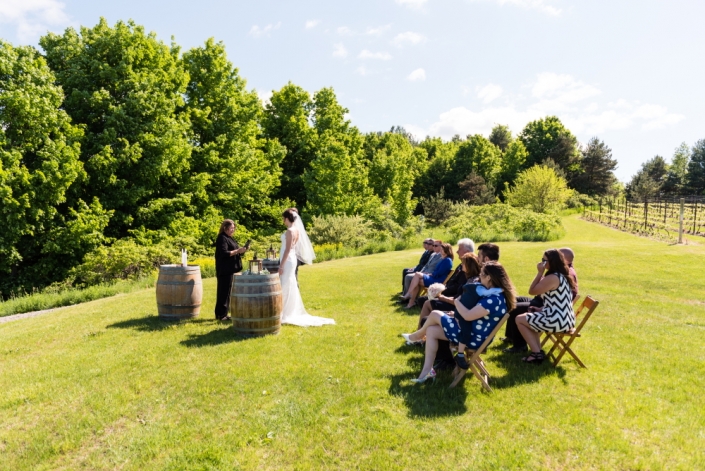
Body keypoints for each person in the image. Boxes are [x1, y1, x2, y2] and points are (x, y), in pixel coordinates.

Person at [401, 261, 516, 383]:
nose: (479, 276)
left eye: (482, 274)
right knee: (431, 331)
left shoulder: (493, 299)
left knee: (435, 314)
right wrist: (456, 314)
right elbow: (473, 314)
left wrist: (456, 302)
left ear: (489, 277)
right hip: (472, 332)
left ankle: (417, 336)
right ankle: (426, 372)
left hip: (473, 338)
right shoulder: (495, 295)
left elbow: (467, 316)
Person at [502, 247, 578, 353]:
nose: (541, 263)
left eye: (544, 261)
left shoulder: (553, 277)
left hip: (558, 321)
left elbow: (532, 291)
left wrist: (539, 273)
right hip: (565, 319)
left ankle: (535, 352)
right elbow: (556, 301)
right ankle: (537, 351)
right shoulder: (562, 275)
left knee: (520, 319)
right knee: (525, 316)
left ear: (551, 262)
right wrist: (541, 309)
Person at [278, 209, 335, 327]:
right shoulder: (297, 230)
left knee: (285, 284)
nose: (283, 221)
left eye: (283, 218)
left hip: (287, 260)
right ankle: (287, 310)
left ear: (286, 218)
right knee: (290, 283)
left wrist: (281, 265)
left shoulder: (289, 231)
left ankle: (284, 312)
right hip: (292, 259)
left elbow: (288, 249)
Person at [414, 238, 475, 308]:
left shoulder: (468, 267)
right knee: (421, 299)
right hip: (447, 290)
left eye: (459, 249)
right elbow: (452, 280)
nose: (457, 251)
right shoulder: (461, 265)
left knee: (423, 300)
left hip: (453, 296)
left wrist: (442, 292)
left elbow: (457, 287)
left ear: (467, 251)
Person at [402, 242, 454, 309]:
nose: (440, 251)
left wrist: (430, 274)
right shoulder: (444, 259)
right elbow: (437, 272)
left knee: (417, 275)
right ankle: (411, 302)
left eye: (442, 249)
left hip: (437, 280)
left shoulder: (447, 260)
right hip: (434, 277)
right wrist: (430, 274)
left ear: (446, 250)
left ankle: (409, 295)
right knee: (416, 280)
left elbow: (439, 273)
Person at [214, 219, 247, 321]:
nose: (233, 230)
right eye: (231, 228)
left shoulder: (230, 238)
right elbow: (224, 253)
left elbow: (235, 252)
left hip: (230, 269)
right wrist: (238, 250)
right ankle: (220, 314)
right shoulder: (222, 238)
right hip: (225, 269)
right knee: (223, 292)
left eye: (234, 228)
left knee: (227, 292)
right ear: (225, 228)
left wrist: (242, 250)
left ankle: (224, 313)